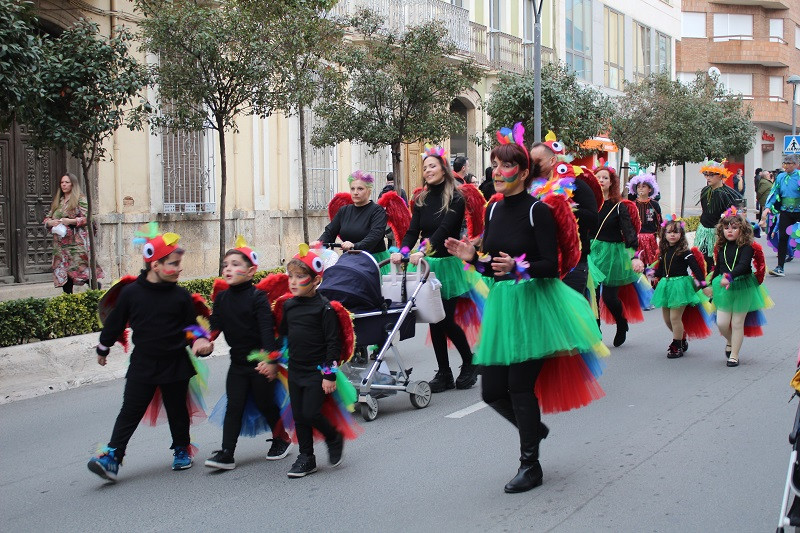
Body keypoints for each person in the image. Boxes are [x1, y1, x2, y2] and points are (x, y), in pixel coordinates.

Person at [445, 124, 607, 493]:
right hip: (504, 303)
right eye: (494, 167)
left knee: (520, 388)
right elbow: (494, 266)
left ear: (521, 172)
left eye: (504, 167)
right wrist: (474, 258)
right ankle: (533, 429)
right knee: (491, 392)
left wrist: (520, 267)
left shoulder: (539, 211)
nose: (496, 174)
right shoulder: (494, 211)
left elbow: (552, 264)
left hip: (535, 304)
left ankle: (530, 465)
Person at [87, 230, 212, 481]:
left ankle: (181, 449)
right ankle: (113, 455)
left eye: (179, 264)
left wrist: (200, 341)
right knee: (130, 410)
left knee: (178, 410)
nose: (179, 269)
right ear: (155, 264)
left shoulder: (180, 296)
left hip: (175, 363)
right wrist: (104, 347)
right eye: (173, 264)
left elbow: (192, 326)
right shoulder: (131, 293)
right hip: (143, 363)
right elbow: (115, 322)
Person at [391, 145, 478, 393]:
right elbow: (411, 232)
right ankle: (444, 372)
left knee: (445, 318)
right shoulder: (420, 199)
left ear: (443, 169)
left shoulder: (456, 197)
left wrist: (422, 251)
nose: (428, 170)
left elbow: (442, 232)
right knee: (433, 319)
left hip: (446, 264)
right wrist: (404, 252)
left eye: (433, 166)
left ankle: (469, 362)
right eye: (426, 167)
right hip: (427, 265)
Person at [201, 239, 292, 471]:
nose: (228, 269)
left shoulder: (257, 297)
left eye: (234, 264)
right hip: (237, 363)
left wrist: (270, 360)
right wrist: (204, 341)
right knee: (234, 405)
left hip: (260, 362)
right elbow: (214, 325)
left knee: (265, 403)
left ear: (251, 271)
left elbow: (265, 330)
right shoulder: (221, 298)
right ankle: (227, 453)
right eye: (225, 265)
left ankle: (282, 438)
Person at [260, 247, 351, 478]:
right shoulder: (288, 306)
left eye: (300, 277)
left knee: (310, 413)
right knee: (299, 416)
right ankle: (306, 457)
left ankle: (333, 437)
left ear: (316, 280)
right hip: (296, 369)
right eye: (290, 276)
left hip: (318, 370)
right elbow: (283, 337)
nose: (293, 281)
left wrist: (329, 374)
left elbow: (333, 344)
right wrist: (272, 359)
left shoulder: (325, 308)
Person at [589, 163, 651, 347]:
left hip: (613, 255)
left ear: (612, 182)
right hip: (592, 253)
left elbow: (629, 233)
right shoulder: (589, 203)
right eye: (598, 177)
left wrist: (633, 256)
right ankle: (596, 329)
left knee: (608, 297)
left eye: (605, 177)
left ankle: (621, 322)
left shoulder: (619, 206)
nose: (601, 180)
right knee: (591, 294)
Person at [530, 138, 600, 298]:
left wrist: (565, 209)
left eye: (537, 161)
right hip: (541, 262)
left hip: (573, 264)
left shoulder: (577, 185)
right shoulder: (533, 188)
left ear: (552, 160)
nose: (533, 165)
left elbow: (592, 219)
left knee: (572, 317)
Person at [703, 208, 772, 367]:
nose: (730, 231)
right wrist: (710, 285)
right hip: (723, 287)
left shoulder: (747, 246)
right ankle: (730, 340)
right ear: (722, 230)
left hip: (742, 285)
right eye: (727, 228)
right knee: (721, 322)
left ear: (742, 229)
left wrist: (730, 276)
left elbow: (742, 265)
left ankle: (734, 355)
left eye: (734, 228)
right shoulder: (721, 247)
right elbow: (718, 268)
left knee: (737, 323)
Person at [650, 218, 711, 359]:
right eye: (669, 232)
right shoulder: (664, 252)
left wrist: (703, 286)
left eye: (676, 232)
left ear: (681, 235)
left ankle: (676, 345)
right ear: (664, 234)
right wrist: (650, 272)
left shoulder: (685, 252)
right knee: (667, 319)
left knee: (675, 317)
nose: (672, 235)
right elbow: (661, 271)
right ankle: (681, 339)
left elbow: (696, 269)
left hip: (680, 286)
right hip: (666, 285)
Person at [316, 170, 390, 274]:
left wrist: (355, 246)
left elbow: (375, 235)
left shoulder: (377, 211)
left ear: (369, 190)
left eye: (360, 189)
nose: (355, 192)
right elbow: (330, 231)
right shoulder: (344, 211)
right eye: (352, 189)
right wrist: (319, 244)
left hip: (373, 260)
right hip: (349, 260)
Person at [43, 173, 104, 293]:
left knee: (81, 271)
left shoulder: (80, 199)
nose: (64, 185)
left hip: (75, 244)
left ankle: (96, 290)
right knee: (65, 275)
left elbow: (88, 218)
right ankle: (69, 302)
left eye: (67, 182)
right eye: (62, 182)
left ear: (73, 184)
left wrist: (70, 221)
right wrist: (50, 223)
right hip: (60, 246)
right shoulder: (59, 201)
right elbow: (47, 218)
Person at [695, 161, 742, 269]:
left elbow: (735, 214)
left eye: (711, 174)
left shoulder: (728, 194)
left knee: (719, 261)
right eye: (706, 174)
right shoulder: (705, 190)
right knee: (704, 259)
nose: (708, 177)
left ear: (720, 175)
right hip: (704, 231)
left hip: (719, 233)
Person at [763, 154, 800, 276]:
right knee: (782, 237)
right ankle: (780, 267)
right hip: (785, 212)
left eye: (788, 163)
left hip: (798, 211)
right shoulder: (780, 177)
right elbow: (774, 192)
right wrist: (768, 207)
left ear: (795, 165)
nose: (785, 166)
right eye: (784, 163)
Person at [627, 173, 662, 266]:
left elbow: (659, 223)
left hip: (651, 239)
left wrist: (662, 239)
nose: (641, 188)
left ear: (650, 189)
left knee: (651, 264)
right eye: (638, 187)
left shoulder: (654, 205)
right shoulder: (632, 205)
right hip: (636, 239)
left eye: (644, 186)